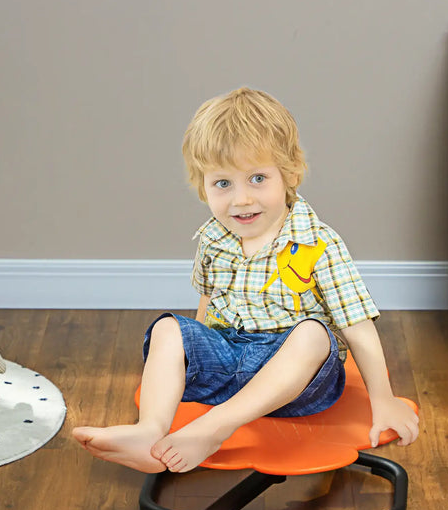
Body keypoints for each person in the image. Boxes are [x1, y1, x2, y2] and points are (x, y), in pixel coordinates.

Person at [73, 87, 419, 473]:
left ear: (288, 175)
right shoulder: (212, 239)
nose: (240, 199)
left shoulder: (317, 243)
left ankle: (213, 428)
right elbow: (207, 306)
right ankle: (150, 431)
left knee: (314, 334)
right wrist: (192, 352)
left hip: (296, 386)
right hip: (228, 362)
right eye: (223, 184)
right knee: (170, 328)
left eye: (257, 178)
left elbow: (358, 326)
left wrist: (384, 399)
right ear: (201, 185)